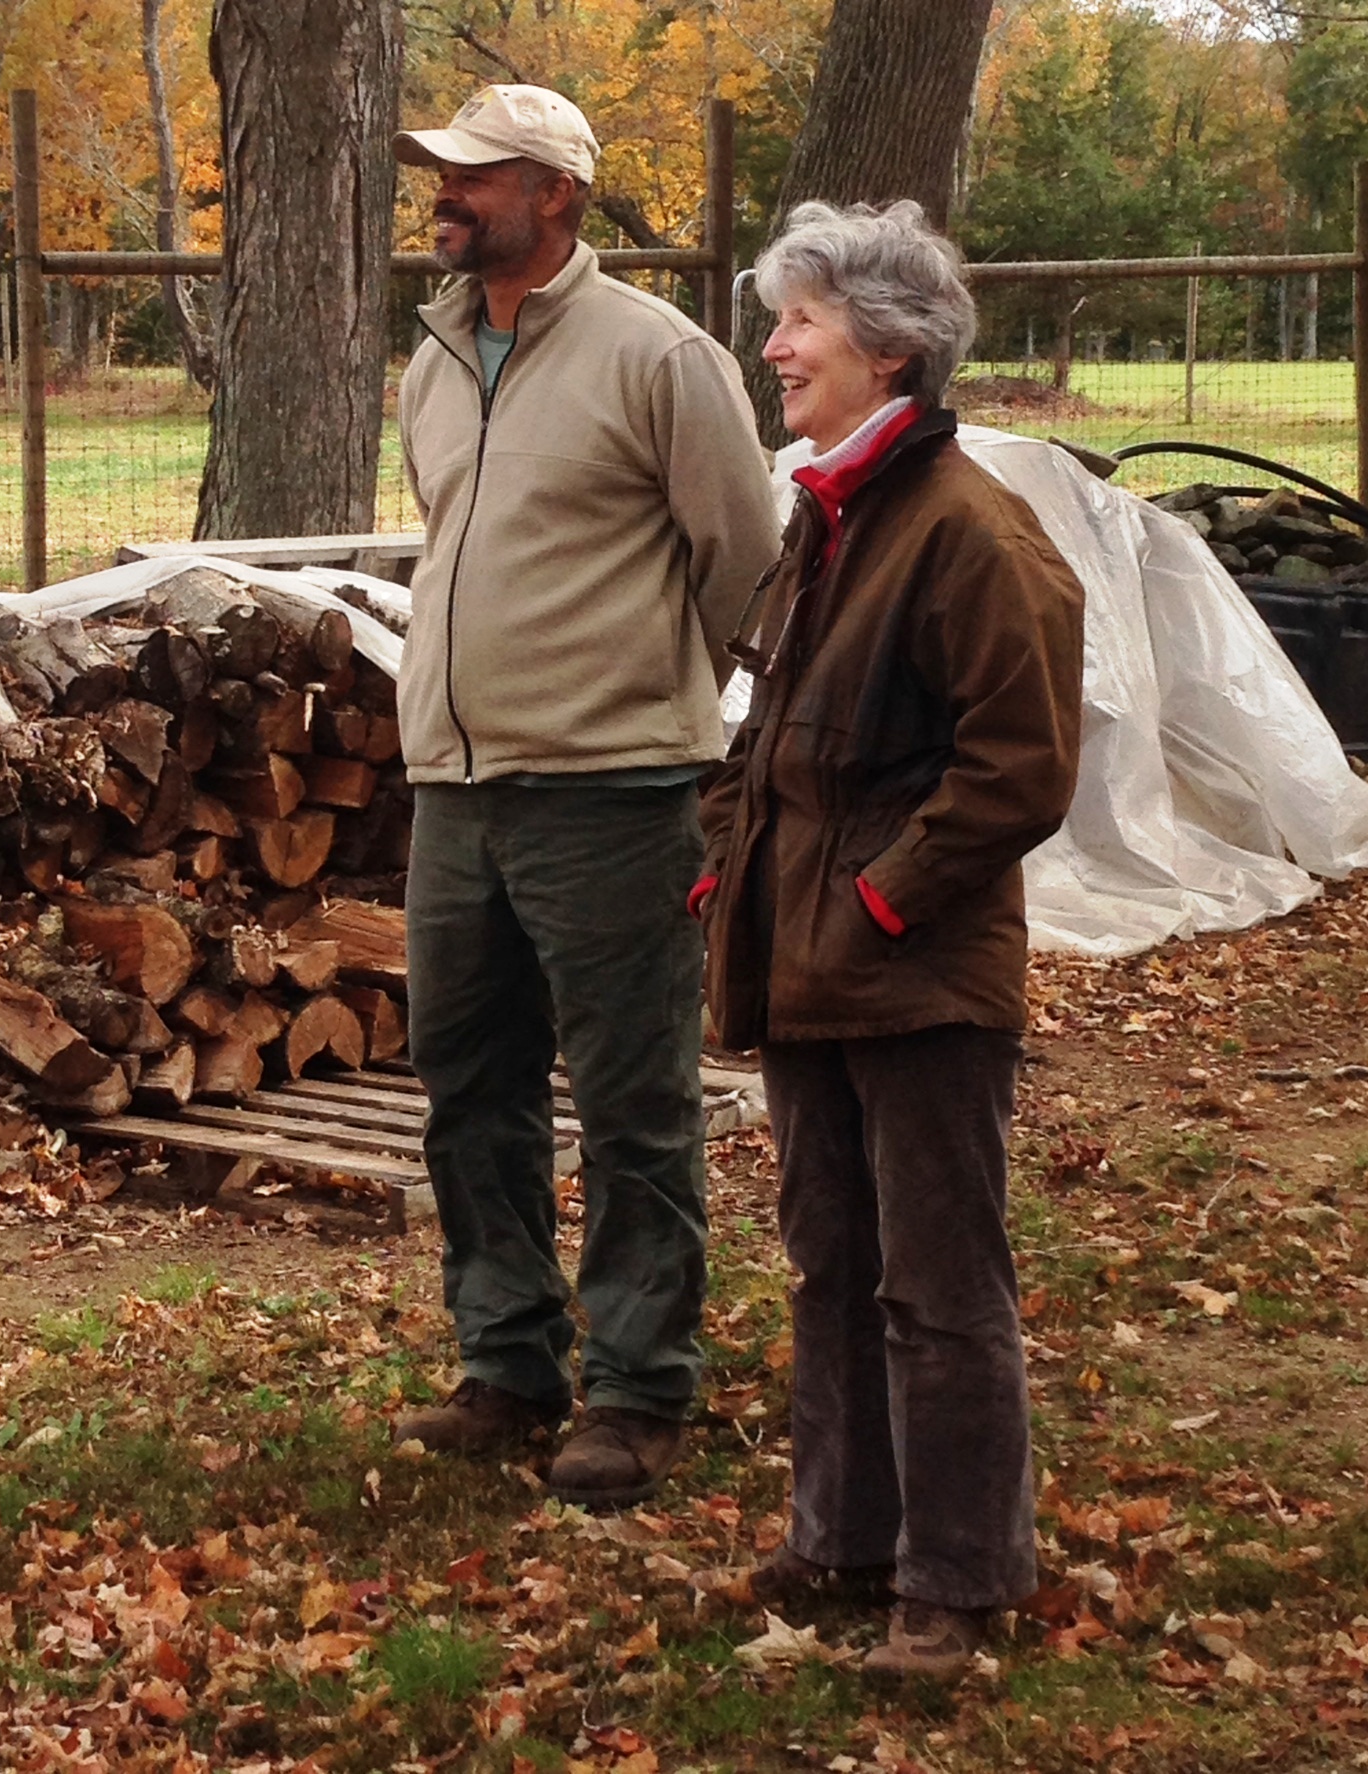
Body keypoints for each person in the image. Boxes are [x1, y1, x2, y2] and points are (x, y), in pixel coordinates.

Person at [694, 200, 1085, 1677]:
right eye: (779, 315)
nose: (774, 344)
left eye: (799, 320)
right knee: (827, 1259)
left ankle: (959, 1580)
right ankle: (841, 1541)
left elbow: (1019, 768)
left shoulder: (974, 534)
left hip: (913, 980)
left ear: (890, 346)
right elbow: (764, 728)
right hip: (805, 967)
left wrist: (874, 898)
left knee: (936, 1284)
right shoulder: (831, 514)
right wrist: (728, 866)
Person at [387, 84, 783, 1507]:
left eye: (471, 175)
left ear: (554, 193)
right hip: (453, 789)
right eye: (439, 173)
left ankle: (636, 1386)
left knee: (631, 1103)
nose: (443, 194)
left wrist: (698, 744)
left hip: (612, 792)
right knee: (467, 1088)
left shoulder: (659, 358)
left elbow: (743, 563)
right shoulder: (433, 358)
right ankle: (507, 1361)